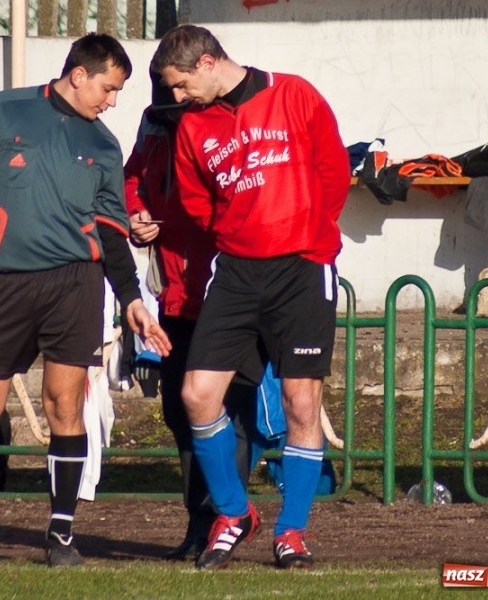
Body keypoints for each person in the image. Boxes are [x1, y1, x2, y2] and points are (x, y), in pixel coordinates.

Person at [0, 33, 171, 569]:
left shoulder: (104, 146)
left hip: (75, 286)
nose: (113, 100)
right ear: (79, 74)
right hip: (5, 284)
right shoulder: (4, 111)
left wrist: (131, 299)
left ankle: (61, 534)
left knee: (64, 406)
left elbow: (113, 234)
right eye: (109, 87)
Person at [150, 24, 350, 570]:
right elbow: (197, 202)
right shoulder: (192, 126)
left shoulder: (295, 94)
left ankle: (292, 533)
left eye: (181, 84)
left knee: (301, 404)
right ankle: (235, 514)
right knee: (196, 395)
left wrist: (307, 235)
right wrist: (245, 233)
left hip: (303, 268)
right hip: (235, 272)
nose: (176, 97)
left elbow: (334, 172)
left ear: (209, 63)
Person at [123, 69, 258, 560]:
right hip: (177, 296)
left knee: (230, 411)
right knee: (182, 414)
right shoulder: (155, 128)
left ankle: (227, 516)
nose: (180, 106)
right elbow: (132, 178)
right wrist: (137, 215)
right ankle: (201, 521)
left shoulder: (228, 126)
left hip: (231, 293)